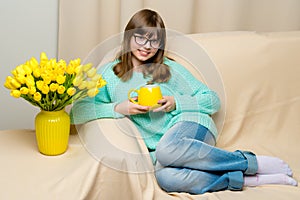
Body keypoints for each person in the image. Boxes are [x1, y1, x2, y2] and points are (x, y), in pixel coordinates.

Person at [70, 9, 297, 194]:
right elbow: (77, 112)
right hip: (164, 151)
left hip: (191, 124)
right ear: (129, 37)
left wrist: (176, 102)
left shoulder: (169, 70)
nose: (146, 46)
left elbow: (212, 100)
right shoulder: (110, 74)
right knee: (166, 177)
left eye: (153, 40)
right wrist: (119, 108)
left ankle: (248, 162)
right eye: (140, 37)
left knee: (166, 150)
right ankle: (245, 179)